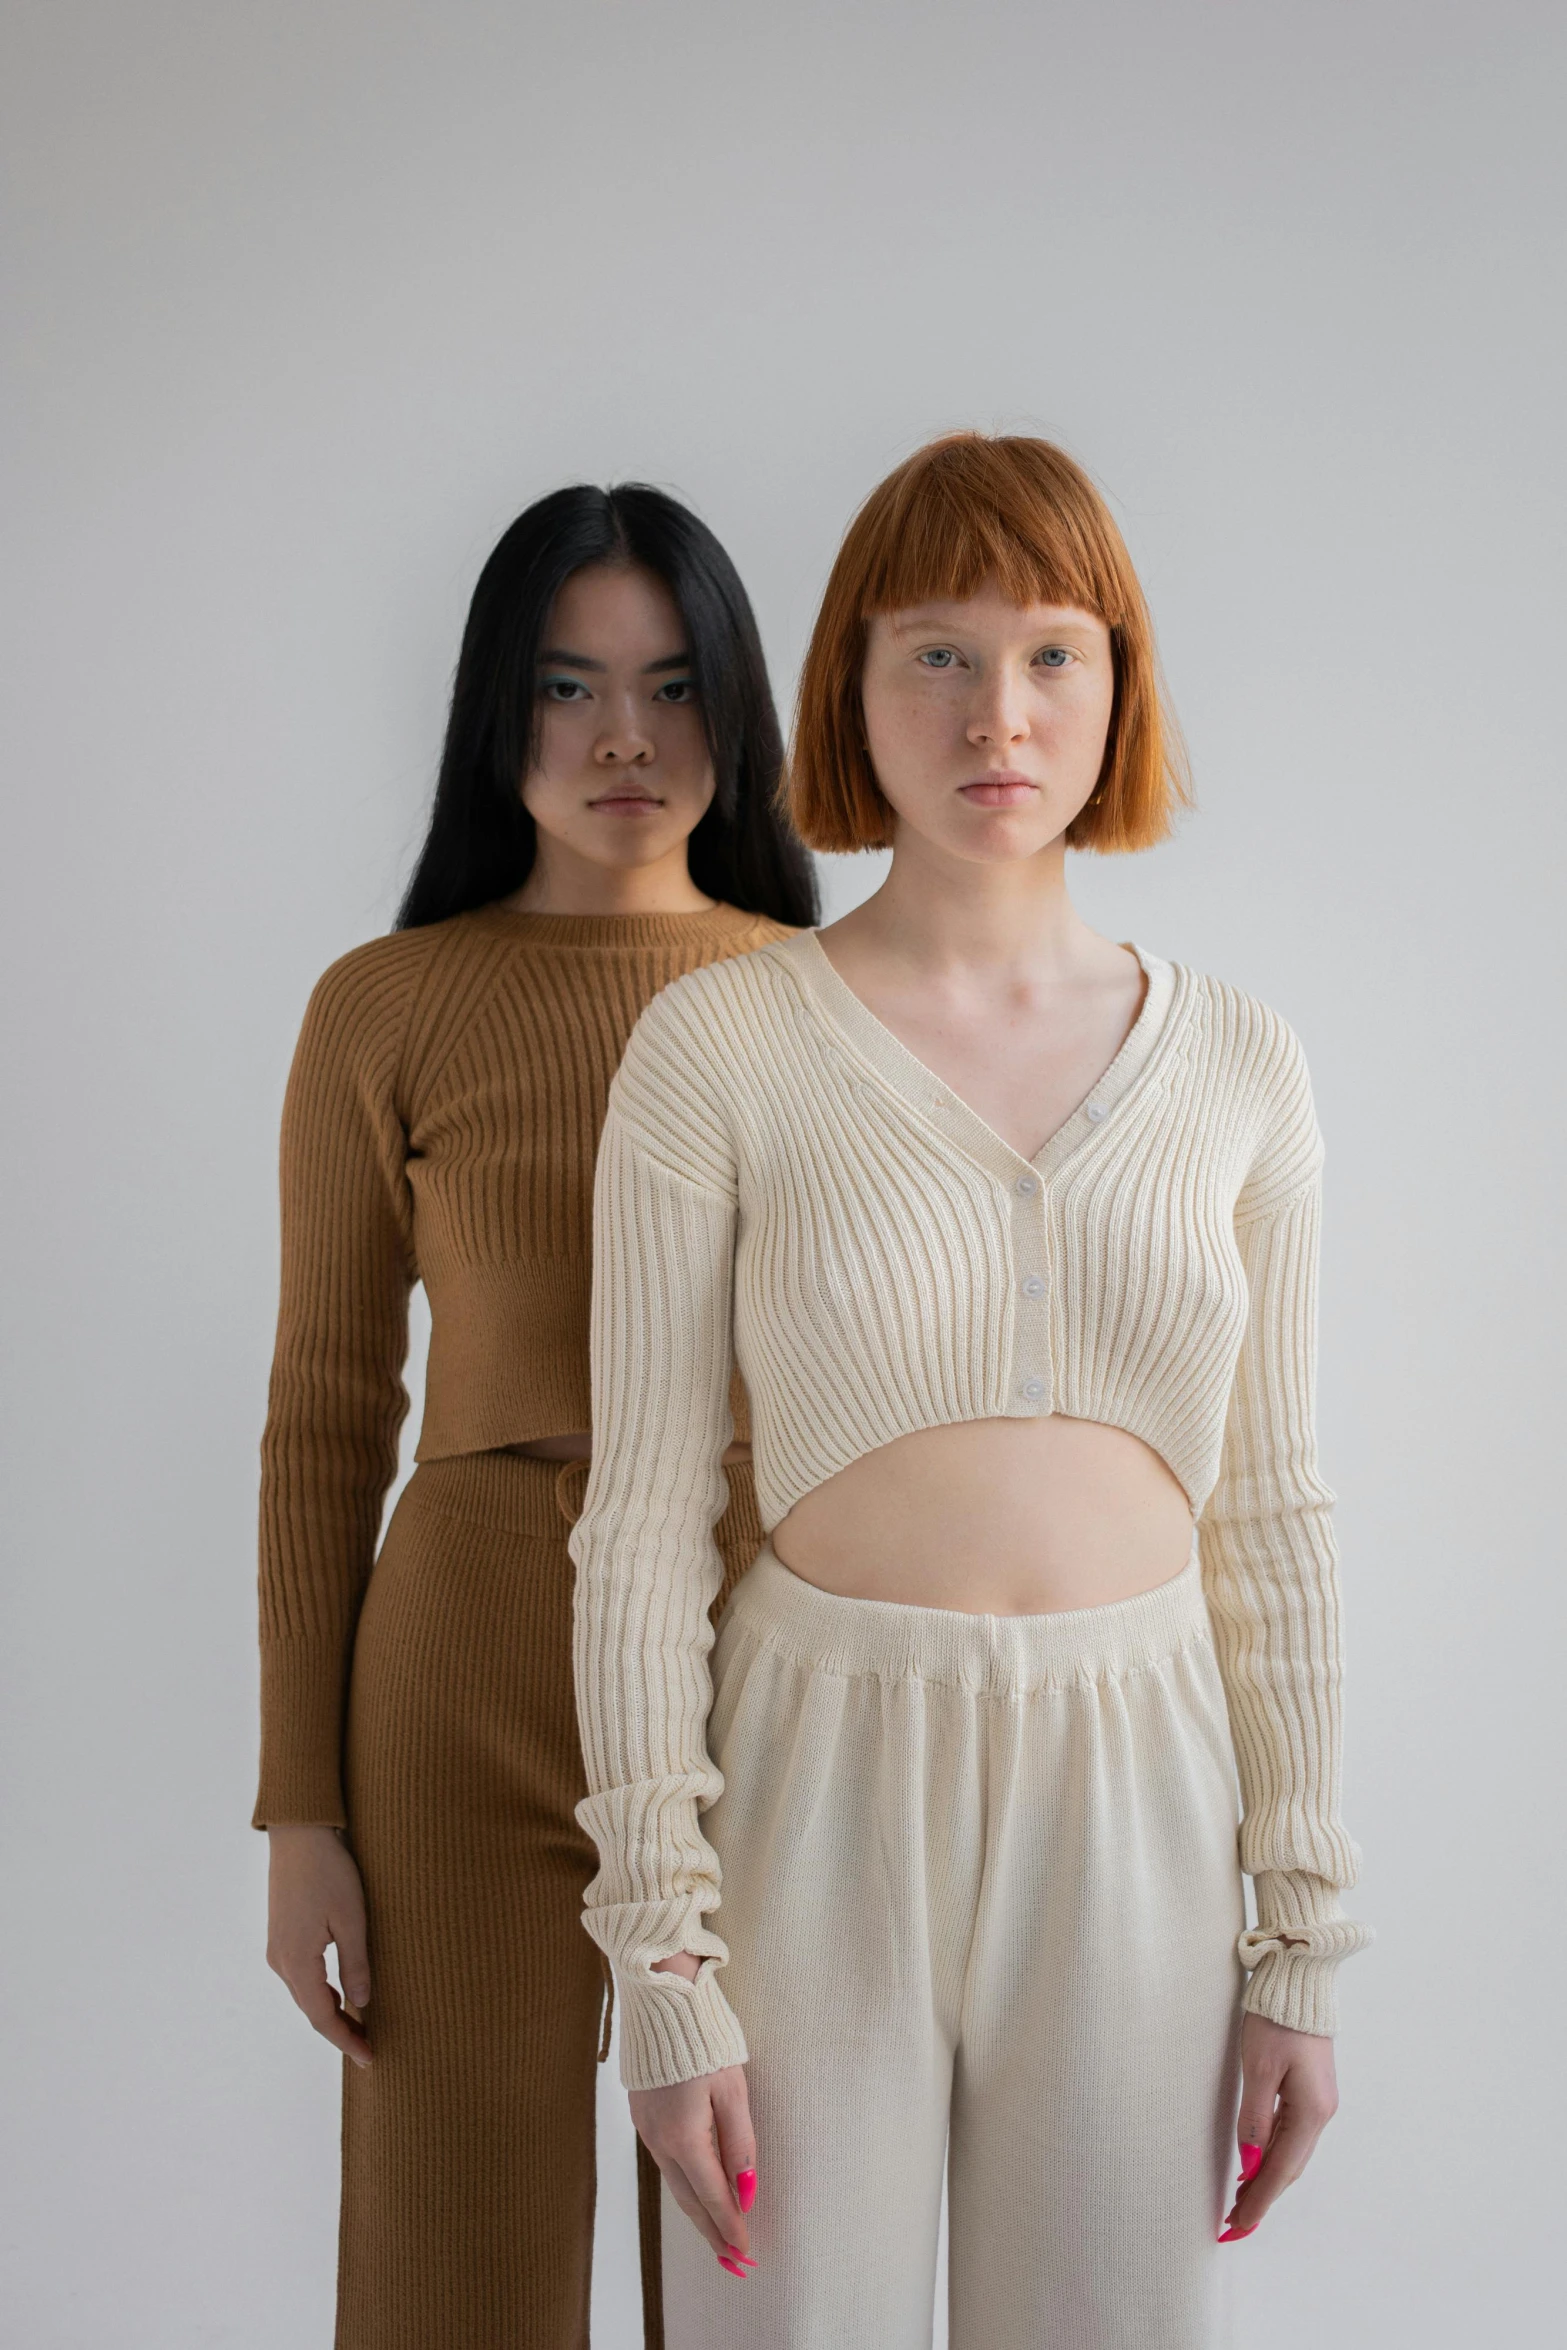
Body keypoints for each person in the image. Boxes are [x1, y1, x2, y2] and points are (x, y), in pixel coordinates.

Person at [569, 434, 1369, 2348]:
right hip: (812, 1779)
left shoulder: (1243, 1068)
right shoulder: (719, 1049)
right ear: (848, 681)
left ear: (1119, 688)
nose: (994, 711)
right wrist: (665, 1969)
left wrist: (1301, 1947)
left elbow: (1272, 1521)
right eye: (933, 652)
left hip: (1142, 1777)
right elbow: (639, 1528)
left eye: (1050, 653)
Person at [254, 481, 817, 2350]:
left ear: (735, 711)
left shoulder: (815, 1000)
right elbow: (329, 1415)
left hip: (760, 1645)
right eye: (569, 687)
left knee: (761, 2261)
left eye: (671, 686)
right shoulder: (385, 1006)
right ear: (496, 710)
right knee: (449, 2270)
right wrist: (301, 1810)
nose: (623, 740)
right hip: (466, 1649)